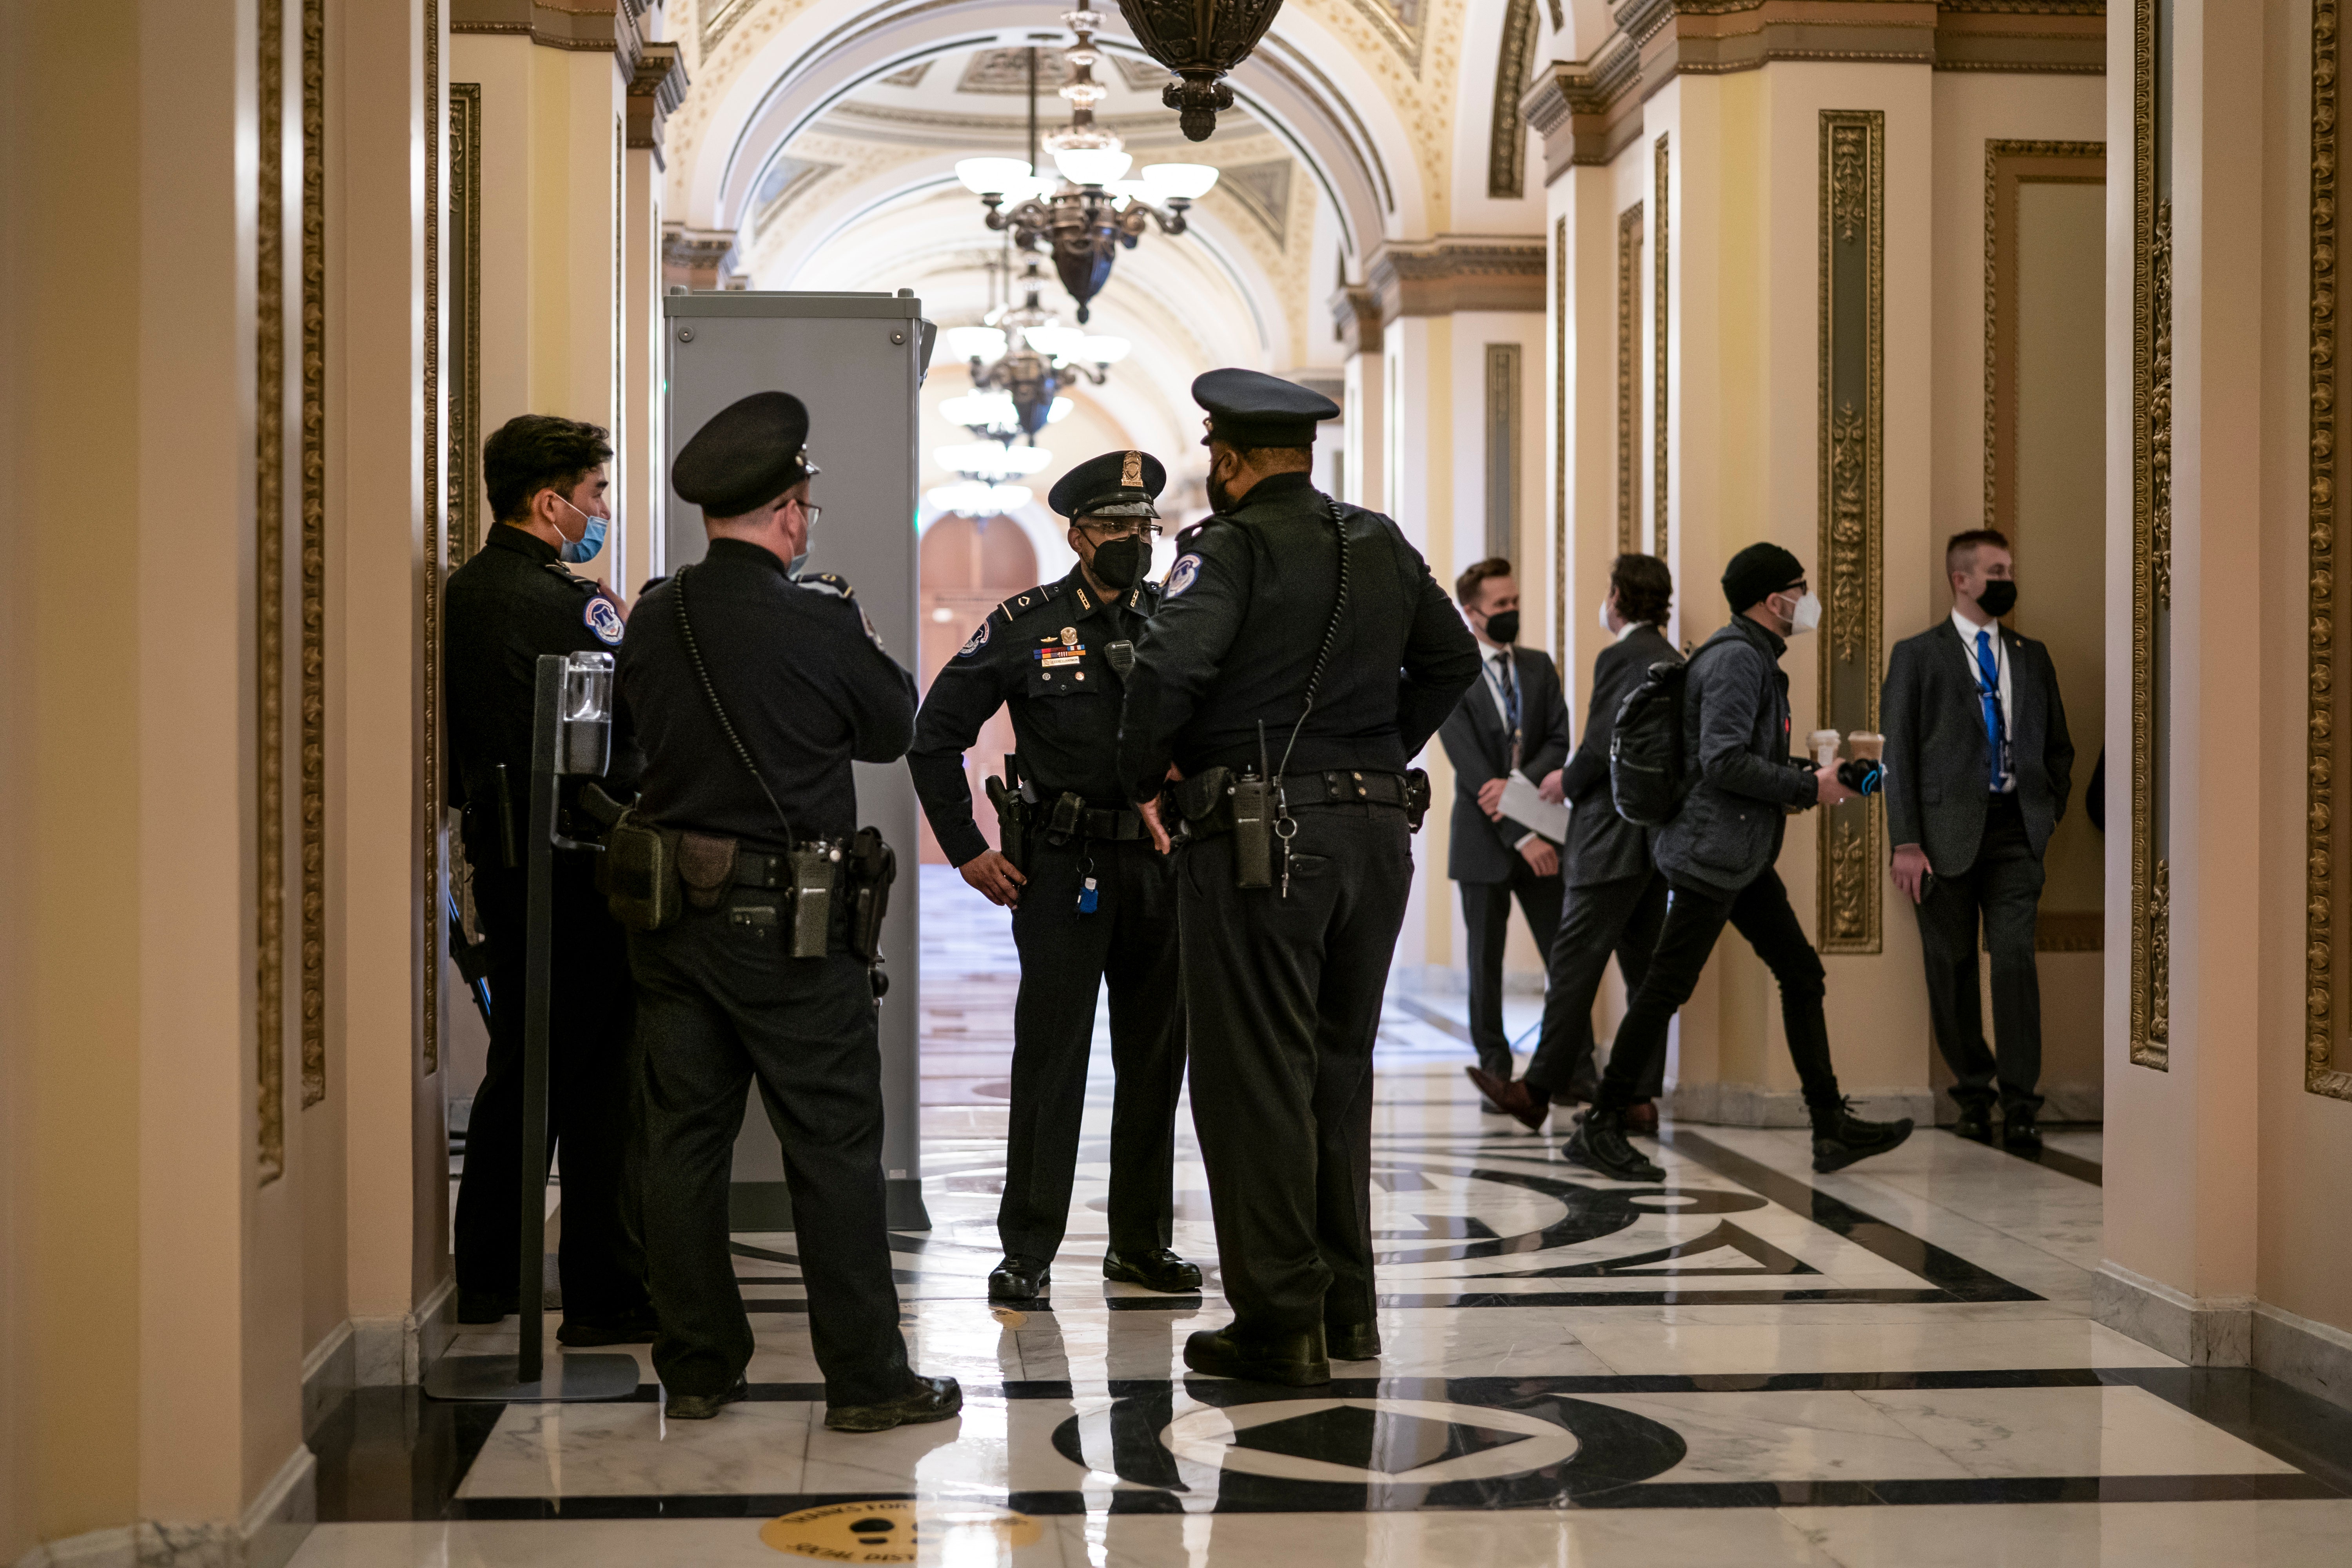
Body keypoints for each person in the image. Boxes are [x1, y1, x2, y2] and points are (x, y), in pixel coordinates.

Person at [1117, 368, 1480, 1386]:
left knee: (1252, 1079)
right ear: (1305, 455)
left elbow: (1168, 671)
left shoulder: (1224, 550)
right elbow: (1454, 663)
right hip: (1377, 836)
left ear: (1227, 461)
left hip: (1258, 841)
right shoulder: (1382, 541)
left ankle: (1280, 1322)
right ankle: (1348, 1312)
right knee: (1338, 1071)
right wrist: (1372, 755)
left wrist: (1146, 776)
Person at [615, 390, 959, 1430]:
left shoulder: (655, 614)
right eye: (804, 503)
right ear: (791, 514)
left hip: (673, 918)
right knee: (833, 1149)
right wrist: (852, 629)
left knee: (681, 1143)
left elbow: (631, 743)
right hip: (793, 930)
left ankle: (701, 1367)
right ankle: (865, 1379)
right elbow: (894, 724)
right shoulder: (816, 616)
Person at [906, 449, 1200, 1305]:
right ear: (1077, 535)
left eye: (1144, 528)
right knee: (1051, 1058)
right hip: (1063, 867)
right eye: (1115, 528)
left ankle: (1140, 1244)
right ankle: (1028, 1247)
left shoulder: (1178, 619)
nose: (1133, 543)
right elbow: (934, 736)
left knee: (1156, 1059)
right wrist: (965, 847)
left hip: (1157, 866)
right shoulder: (1027, 621)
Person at [1569, 542, 1915, 1181]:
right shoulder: (1736, 661)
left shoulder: (1752, 656)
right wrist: (1811, 787)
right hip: (1713, 853)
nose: (1806, 599)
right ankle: (1602, 1122)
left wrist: (1819, 776)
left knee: (1801, 973)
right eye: (1799, 587)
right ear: (1770, 599)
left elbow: (1738, 758)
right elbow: (1723, 762)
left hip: (1740, 852)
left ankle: (1828, 1126)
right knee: (1667, 987)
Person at [443, 413, 653, 1346]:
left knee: (523, 1070)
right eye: (596, 494)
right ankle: (603, 1290)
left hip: (507, 856)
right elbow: (627, 731)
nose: (601, 510)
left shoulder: (471, 589)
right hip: (576, 865)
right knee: (600, 1076)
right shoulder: (567, 603)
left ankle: (489, 1272)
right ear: (550, 502)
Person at [1471, 554, 1677, 1135]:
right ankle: (1639, 1098)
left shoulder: (1622, 656)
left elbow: (1601, 742)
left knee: (1571, 967)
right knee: (1645, 974)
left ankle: (1534, 1091)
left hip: (1608, 842)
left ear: (1617, 596)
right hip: (1649, 846)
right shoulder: (1671, 658)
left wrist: (1567, 781)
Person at [1883, 528, 2074, 1149]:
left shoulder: (2032, 654)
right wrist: (1906, 841)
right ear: (1960, 580)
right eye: (1995, 570)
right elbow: (1899, 757)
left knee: (2015, 962)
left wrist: (2047, 811)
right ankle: (1973, 1092)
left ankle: (2021, 1100)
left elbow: (2059, 747)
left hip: (2016, 831)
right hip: (1941, 839)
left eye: (2009, 568)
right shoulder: (1917, 655)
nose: (2005, 579)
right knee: (1952, 966)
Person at [1436, 559, 1571, 1101]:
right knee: (1485, 963)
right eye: (1500, 607)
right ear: (1473, 614)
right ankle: (1494, 1066)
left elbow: (1559, 743)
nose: (1511, 613)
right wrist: (1521, 834)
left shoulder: (1539, 667)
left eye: (1515, 603)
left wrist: (1516, 786)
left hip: (1543, 831)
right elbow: (1472, 774)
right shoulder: (1452, 672)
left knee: (1564, 954)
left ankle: (1571, 1064)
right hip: (1486, 842)